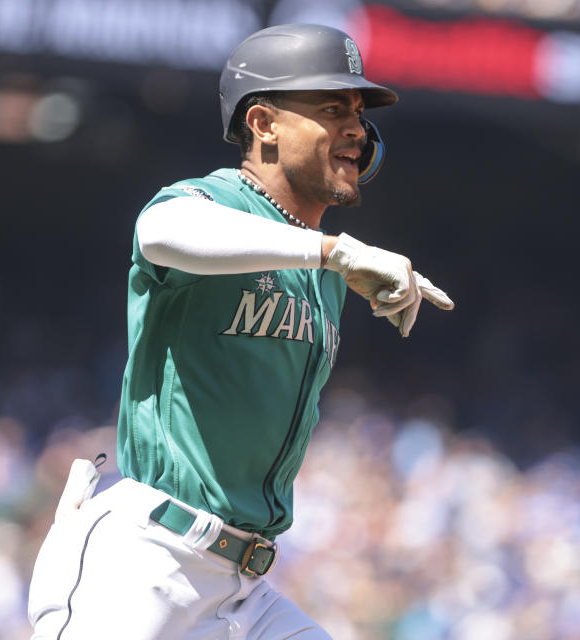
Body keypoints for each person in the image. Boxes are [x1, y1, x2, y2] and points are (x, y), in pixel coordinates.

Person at [27, 23, 454, 639]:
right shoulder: (218, 201)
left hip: (243, 589)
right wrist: (333, 252)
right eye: (332, 109)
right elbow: (161, 231)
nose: (357, 131)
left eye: (360, 115)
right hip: (146, 560)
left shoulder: (323, 264)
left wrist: (330, 257)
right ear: (263, 124)